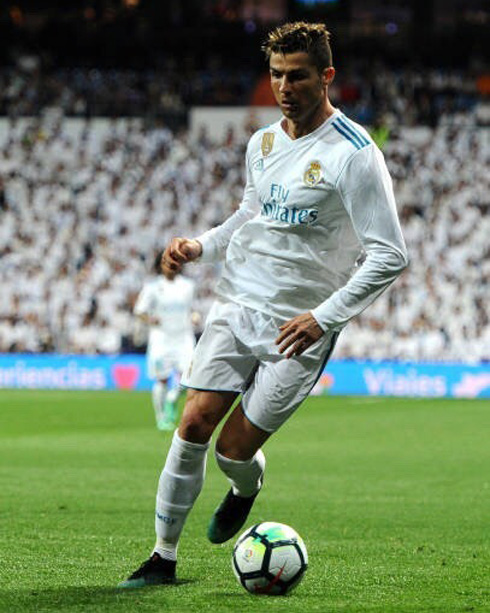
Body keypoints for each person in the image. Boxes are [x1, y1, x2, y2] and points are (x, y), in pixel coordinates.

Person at [119, 21, 408, 587]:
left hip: (299, 327)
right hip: (237, 303)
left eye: (297, 75)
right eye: (275, 74)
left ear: (326, 77)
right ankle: (162, 557)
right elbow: (252, 215)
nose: (284, 87)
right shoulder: (263, 143)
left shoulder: (355, 155)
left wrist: (323, 317)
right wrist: (200, 245)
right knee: (193, 422)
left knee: (231, 451)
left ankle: (247, 484)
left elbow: (390, 254)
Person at [133, 250, 197, 431]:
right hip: (161, 338)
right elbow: (140, 311)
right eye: (166, 262)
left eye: (174, 261)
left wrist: (194, 316)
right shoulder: (152, 287)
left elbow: (193, 308)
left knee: (189, 377)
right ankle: (162, 419)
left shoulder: (188, 286)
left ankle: (172, 398)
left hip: (184, 336)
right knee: (161, 379)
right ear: (160, 265)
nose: (170, 265)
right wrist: (149, 319)